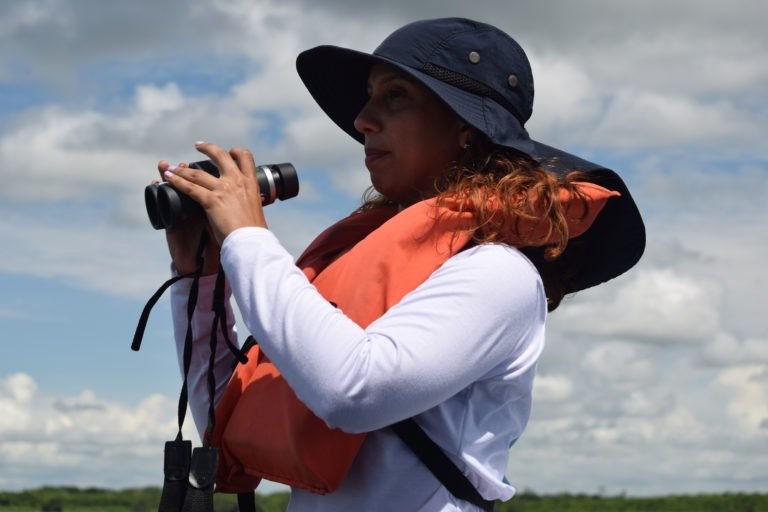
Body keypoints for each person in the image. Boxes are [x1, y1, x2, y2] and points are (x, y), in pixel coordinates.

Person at [157, 17, 644, 511]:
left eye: (394, 96)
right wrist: (199, 277)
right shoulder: (356, 259)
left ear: (467, 129)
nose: (362, 120)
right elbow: (224, 415)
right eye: (369, 97)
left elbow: (353, 392)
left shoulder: (500, 273)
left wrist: (246, 237)